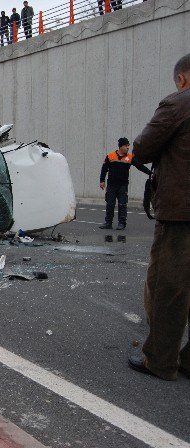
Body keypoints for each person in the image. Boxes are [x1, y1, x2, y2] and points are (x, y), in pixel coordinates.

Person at [128, 53, 190, 381]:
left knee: (169, 286)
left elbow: (143, 148)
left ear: (182, 78)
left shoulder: (178, 103)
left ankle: (162, 360)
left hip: (181, 212)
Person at [98, 137, 152, 230]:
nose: (128, 148)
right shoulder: (110, 156)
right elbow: (104, 169)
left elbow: (140, 166)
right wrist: (102, 181)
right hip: (111, 185)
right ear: (121, 146)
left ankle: (122, 223)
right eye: (126, 146)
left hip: (123, 186)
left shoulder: (130, 157)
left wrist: (150, 173)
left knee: (122, 204)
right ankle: (108, 223)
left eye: (128, 146)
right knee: (110, 204)